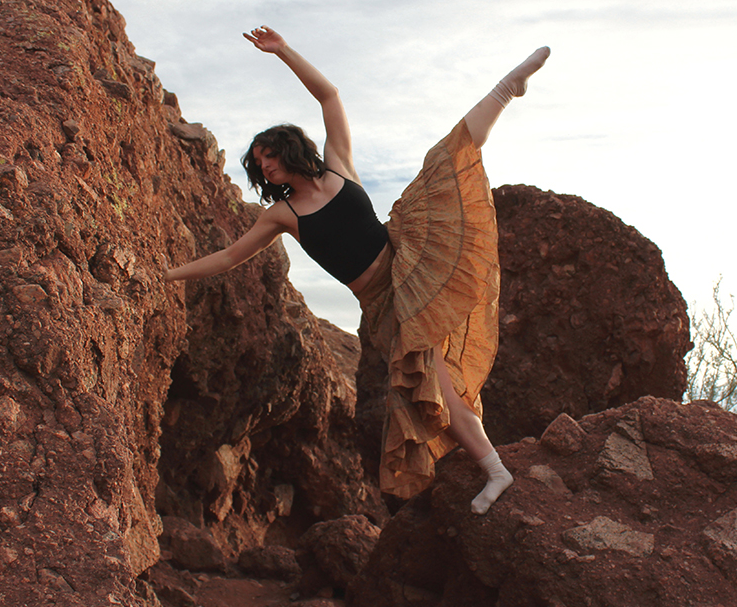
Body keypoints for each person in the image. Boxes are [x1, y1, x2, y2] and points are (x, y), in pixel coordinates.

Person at [165, 26, 549, 515]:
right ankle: (492, 467)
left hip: (408, 267)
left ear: (289, 148)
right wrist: (167, 276)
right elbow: (227, 257)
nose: (265, 167)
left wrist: (283, 51)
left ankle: (506, 88)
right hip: (382, 304)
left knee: (442, 162)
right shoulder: (283, 214)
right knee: (435, 385)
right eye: (258, 164)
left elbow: (329, 96)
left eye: (269, 156)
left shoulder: (338, 166)